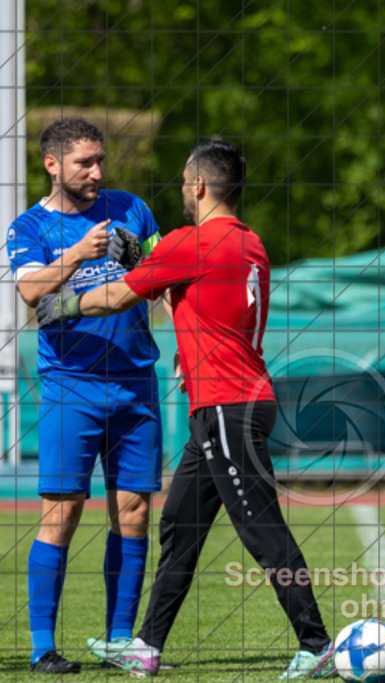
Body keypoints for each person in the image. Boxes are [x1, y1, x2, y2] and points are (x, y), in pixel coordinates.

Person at [36, 140, 336, 679]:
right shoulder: (251, 243)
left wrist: (63, 305)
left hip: (227, 406)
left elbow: (119, 297)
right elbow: (198, 299)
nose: (180, 190)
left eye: (182, 181)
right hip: (235, 402)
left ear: (199, 186)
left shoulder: (192, 242)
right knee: (179, 524)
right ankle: (146, 645)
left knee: (262, 529)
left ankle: (316, 643)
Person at [7, 118, 163, 675]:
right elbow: (30, 291)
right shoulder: (29, 227)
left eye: (100, 161)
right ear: (53, 165)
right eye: (84, 163)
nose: (97, 172)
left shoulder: (132, 207)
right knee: (63, 513)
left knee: (135, 511)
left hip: (137, 382)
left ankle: (122, 641)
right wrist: (77, 254)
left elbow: (162, 274)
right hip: (70, 386)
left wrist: (141, 260)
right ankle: (44, 647)